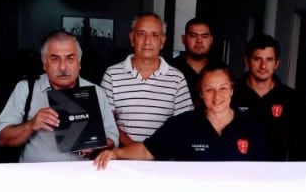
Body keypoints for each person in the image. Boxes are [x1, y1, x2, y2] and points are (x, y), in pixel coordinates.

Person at [94, 62, 266, 167]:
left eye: (223, 88)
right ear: (200, 93)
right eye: (209, 89)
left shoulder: (250, 128)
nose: (217, 96)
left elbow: (263, 172)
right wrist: (116, 153)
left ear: (232, 90)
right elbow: (147, 151)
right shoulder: (182, 124)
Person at [0, 30, 118, 161]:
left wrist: (96, 146)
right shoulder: (26, 89)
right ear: (44, 64)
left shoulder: (96, 92)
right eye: (55, 59)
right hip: (37, 177)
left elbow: (113, 138)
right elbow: (2, 138)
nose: (63, 67)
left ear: (79, 63)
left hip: (82, 177)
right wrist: (30, 125)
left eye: (70, 58)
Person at [100, 12, 193, 146]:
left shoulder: (177, 78)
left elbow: (183, 124)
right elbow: (106, 121)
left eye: (154, 35)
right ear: (132, 38)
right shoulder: (112, 75)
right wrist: (132, 146)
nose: (147, 41)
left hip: (162, 159)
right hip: (123, 159)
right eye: (141, 34)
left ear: (162, 41)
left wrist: (153, 151)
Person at [232, 33, 298, 161]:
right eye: (257, 59)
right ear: (247, 61)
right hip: (238, 170)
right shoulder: (231, 93)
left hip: (275, 173)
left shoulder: (290, 97)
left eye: (269, 60)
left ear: (277, 63)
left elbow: (297, 144)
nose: (263, 66)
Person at [170, 17, 217, 103]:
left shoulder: (220, 70)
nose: (199, 41)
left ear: (211, 40)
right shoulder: (170, 69)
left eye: (204, 36)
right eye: (193, 36)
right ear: (183, 39)